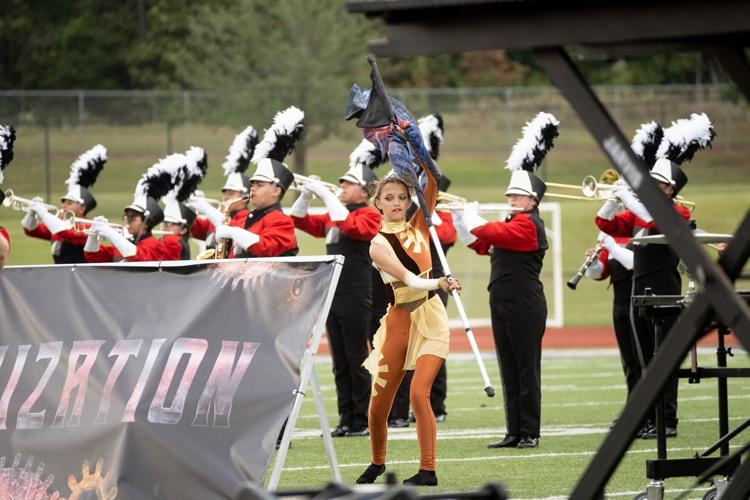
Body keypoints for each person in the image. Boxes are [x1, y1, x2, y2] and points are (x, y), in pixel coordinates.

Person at [455, 112, 558, 450]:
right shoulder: (512, 223)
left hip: (525, 303)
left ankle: (530, 431)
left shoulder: (528, 225)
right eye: (510, 196)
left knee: (527, 369)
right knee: (509, 369)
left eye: (518, 196)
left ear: (533, 201)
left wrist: (472, 218)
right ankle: (514, 430)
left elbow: (491, 232)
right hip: (502, 301)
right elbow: (482, 245)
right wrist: (460, 223)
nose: (511, 200)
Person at [356, 172, 460, 487]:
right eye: (389, 198)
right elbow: (411, 280)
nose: (397, 203)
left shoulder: (420, 225)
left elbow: (434, 182)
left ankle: (428, 470)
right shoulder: (377, 245)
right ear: (377, 203)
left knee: (419, 393)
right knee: (378, 406)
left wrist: (412, 145)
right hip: (399, 321)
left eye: (402, 197)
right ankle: (377, 462)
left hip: (431, 317)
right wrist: (441, 282)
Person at [595, 158, 692, 438]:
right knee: (645, 359)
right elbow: (605, 223)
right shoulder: (639, 215)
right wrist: (614, 200)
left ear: (669, 190)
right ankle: (650, 418)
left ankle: (668, 420)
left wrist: (629, 195)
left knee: (663, 358)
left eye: (656, 184)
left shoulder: (678, 213)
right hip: (640, 290)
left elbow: (655, 219)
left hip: (664, 289)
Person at [289, 161, 380, 438]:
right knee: (339, 359)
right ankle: (345, 418)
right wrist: (305, 195)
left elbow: (354, 228)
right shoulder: (335, 214)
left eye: (348, 183)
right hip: (333, 291)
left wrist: (327, 196)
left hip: (355, 290)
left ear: (364, 192)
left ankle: (361, 419)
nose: (341, 186)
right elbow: (299, 220)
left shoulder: (369, 214)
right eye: (341, 182)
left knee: (356, 356)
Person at [212, 107, 302, 259]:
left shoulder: (282, 221)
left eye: (260, 185)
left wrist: (233, 232)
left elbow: (264, 248)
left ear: (276, 190)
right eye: (252, 184)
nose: (252, 189)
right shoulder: (246, 218)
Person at [84, 154, 185, 263]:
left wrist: (109, 232)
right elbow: (92, 256)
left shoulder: (154, 246)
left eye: (133, 217)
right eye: (127, 216)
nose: (128, 220)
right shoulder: (126, 243)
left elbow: (136, 256)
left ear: (146, 223)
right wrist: (93, 235)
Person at [583, 232, 641, 411]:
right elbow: (601, 273)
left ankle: (650, 412)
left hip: (640, 304)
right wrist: (593, 264)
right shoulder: (613, 235)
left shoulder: (642, 232)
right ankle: (633, 408)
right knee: (629, 360)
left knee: (642, 359)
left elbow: (633, 264)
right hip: (620, 305)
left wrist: (613, 247)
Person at [22, 145, 107, 264]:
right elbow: (31, 230)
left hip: (82, 277)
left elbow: (68, 234)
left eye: (69, 203)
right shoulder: (60, 224)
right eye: (64, 203)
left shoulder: (90, 226)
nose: (64, 206)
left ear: (82, 208)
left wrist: (44, 214)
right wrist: (32, 213)